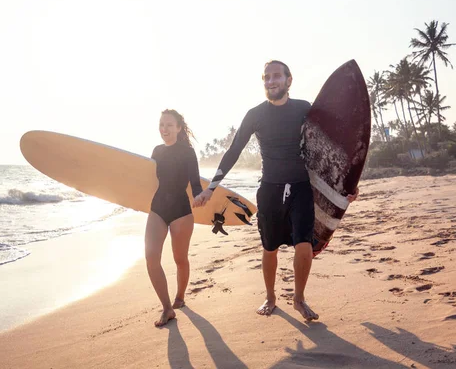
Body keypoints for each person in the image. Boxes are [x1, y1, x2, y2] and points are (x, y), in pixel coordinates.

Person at [193, 60, 358, 321]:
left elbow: (332, 147)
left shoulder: (305, 109)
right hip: (269, 190)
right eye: (266, 77)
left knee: (303, 246)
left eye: (276, 76)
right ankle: (270, 297)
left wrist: (347, 186)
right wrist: (210, 189)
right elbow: (233, 151)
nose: (271, 81)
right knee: (269, 248)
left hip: (301, 188)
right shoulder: (255, 114)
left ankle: (299, 299)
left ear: (288, 80)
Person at [146, 109, 203, 327]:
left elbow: (196, 184)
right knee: (151, 257)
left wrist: (200, 197)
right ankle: (167, 307)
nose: (164, 129)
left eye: (169, 125)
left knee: (180, 259)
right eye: (161, 124)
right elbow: (147, 182)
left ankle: (180, 296)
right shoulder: (157, 151)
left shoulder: (187, 152)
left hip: (181, 210)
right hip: (158, 208)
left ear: (179, 128)